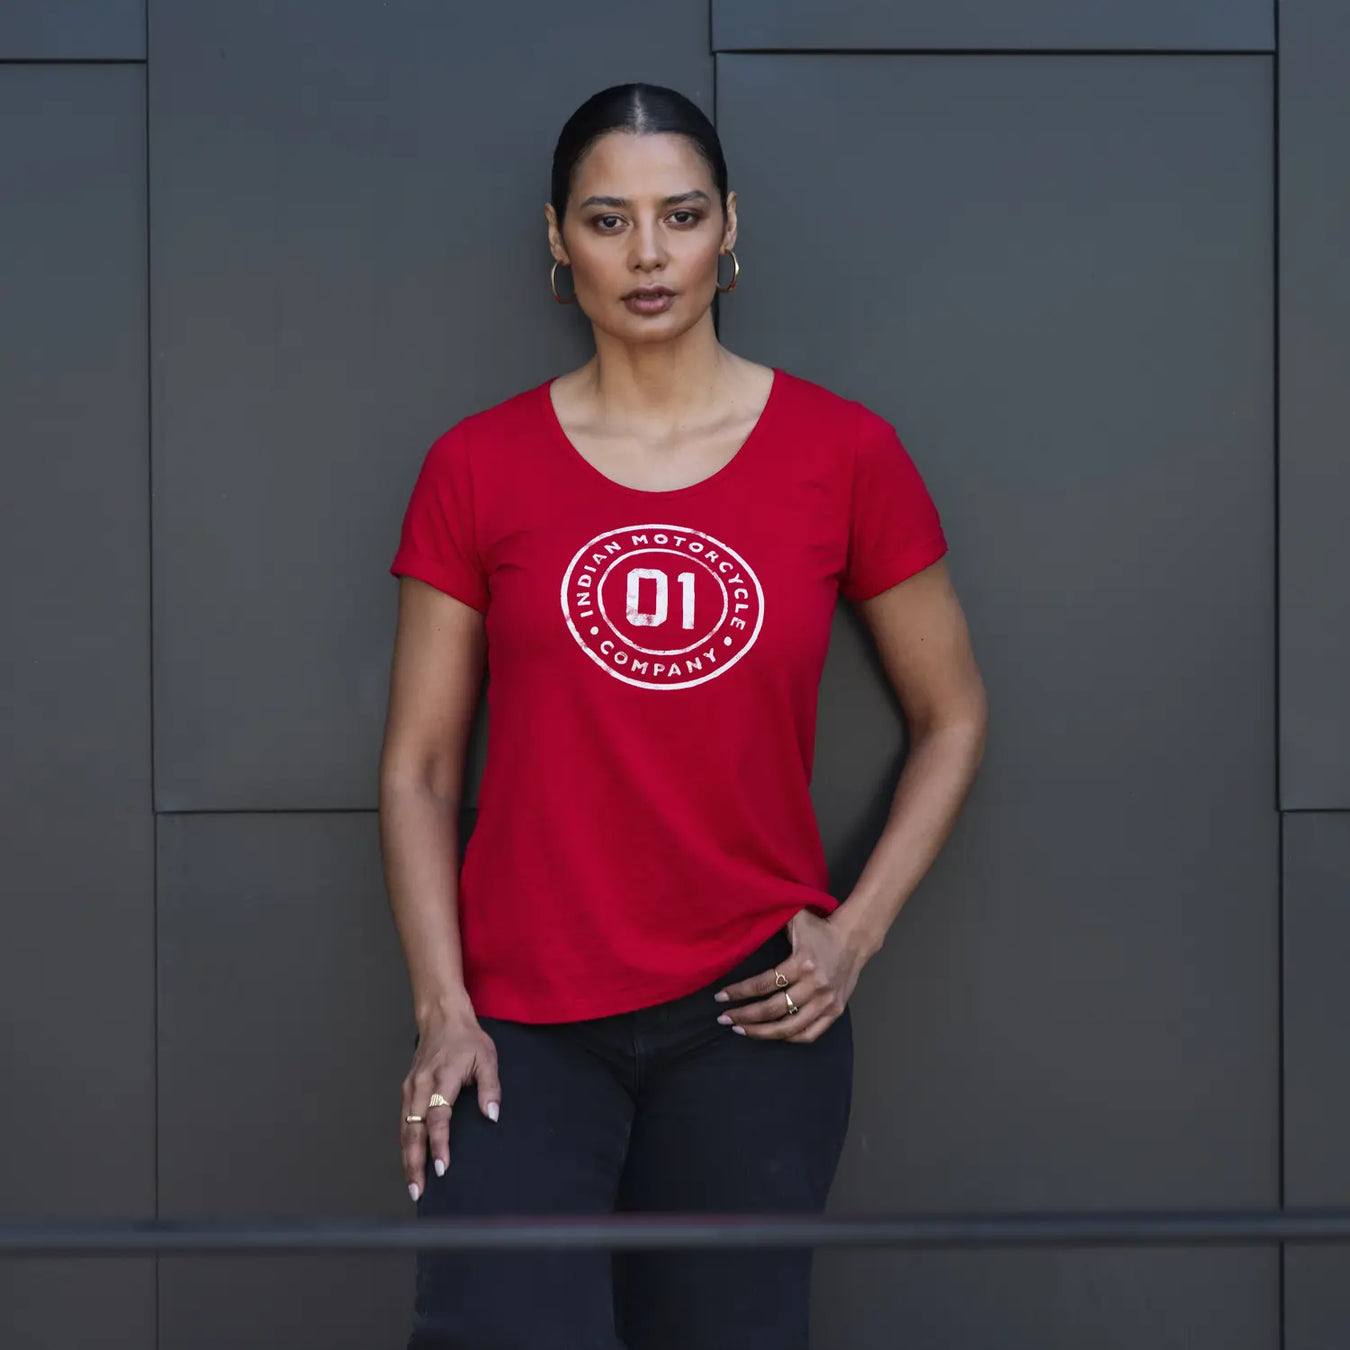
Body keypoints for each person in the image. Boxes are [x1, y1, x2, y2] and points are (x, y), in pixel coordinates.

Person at [379, 81, 988, 1350]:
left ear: (728, 228)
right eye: (609, 220)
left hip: (751, 1021)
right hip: (521, 1027)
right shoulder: (477, 466)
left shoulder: (844, 453)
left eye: (681, 215)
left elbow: (954, 715)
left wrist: (854, 936)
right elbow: (424, 767)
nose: (648, 255)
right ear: (558, 238)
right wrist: (445, 1007)